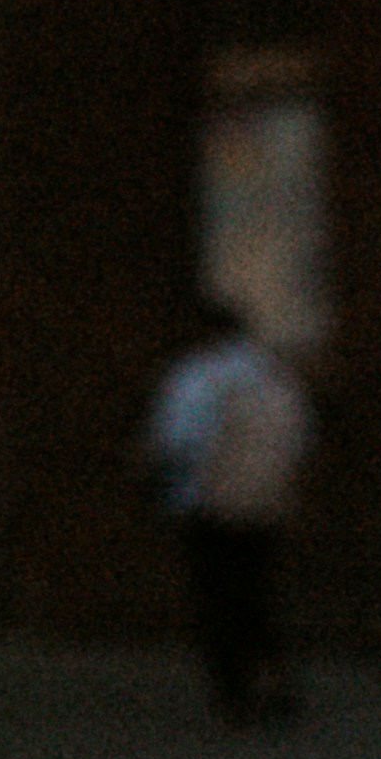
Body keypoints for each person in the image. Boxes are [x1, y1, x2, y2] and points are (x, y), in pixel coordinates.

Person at [140, 292, 311, 726]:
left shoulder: (200, 376)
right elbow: (300, 438)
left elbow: (176, 441)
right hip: (265, 505)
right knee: (258, 597)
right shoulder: (274, 374)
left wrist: (157, 483)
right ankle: (273, 681)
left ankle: (233, 695)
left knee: (217, 602)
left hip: (210, 507)